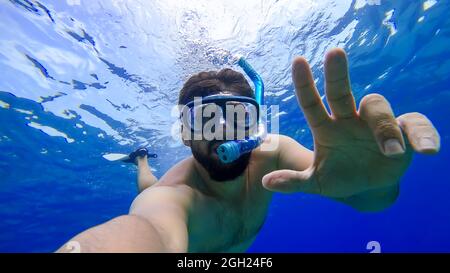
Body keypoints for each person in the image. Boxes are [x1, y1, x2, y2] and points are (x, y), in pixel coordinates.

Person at [57, 48, 440, 253]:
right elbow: (148, 230)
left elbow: (371, 200)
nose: (223, 129)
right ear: (186, 134)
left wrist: (374, 181)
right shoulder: (172, 201)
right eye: (206, 118)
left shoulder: (273, 152)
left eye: (238, 116)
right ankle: (140, 159)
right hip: (162, 192)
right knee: (148, 187)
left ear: (255, 125)